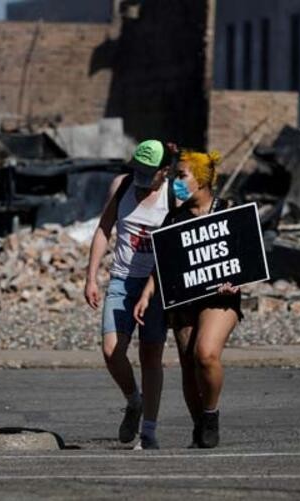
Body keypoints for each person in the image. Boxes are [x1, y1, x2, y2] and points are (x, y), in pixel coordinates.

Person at [133, 149, 242, 449]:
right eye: (173, 176)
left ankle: (211, 415)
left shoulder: (229, 210)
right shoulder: (174, 217)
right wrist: (146, 294)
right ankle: (199, 426)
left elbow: (248, 259)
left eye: (181, 176)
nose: (175, 182)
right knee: (188, 364)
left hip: (221, 298)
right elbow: (163, 264)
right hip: (185, 298)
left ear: (202, 180)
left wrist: (236, 281)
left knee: (205, 353)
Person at [84, 139, 174, 450]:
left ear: (164, 171)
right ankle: (133, 400)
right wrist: (91, 277)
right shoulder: (121, 186)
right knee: (112, 351)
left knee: (151, 356)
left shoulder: (174, 194)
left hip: (157, 284)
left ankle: (148, 431)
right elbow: (103, 228)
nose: (142, 178)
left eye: (150, 172)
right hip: (122, 280)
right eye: (139, 170)